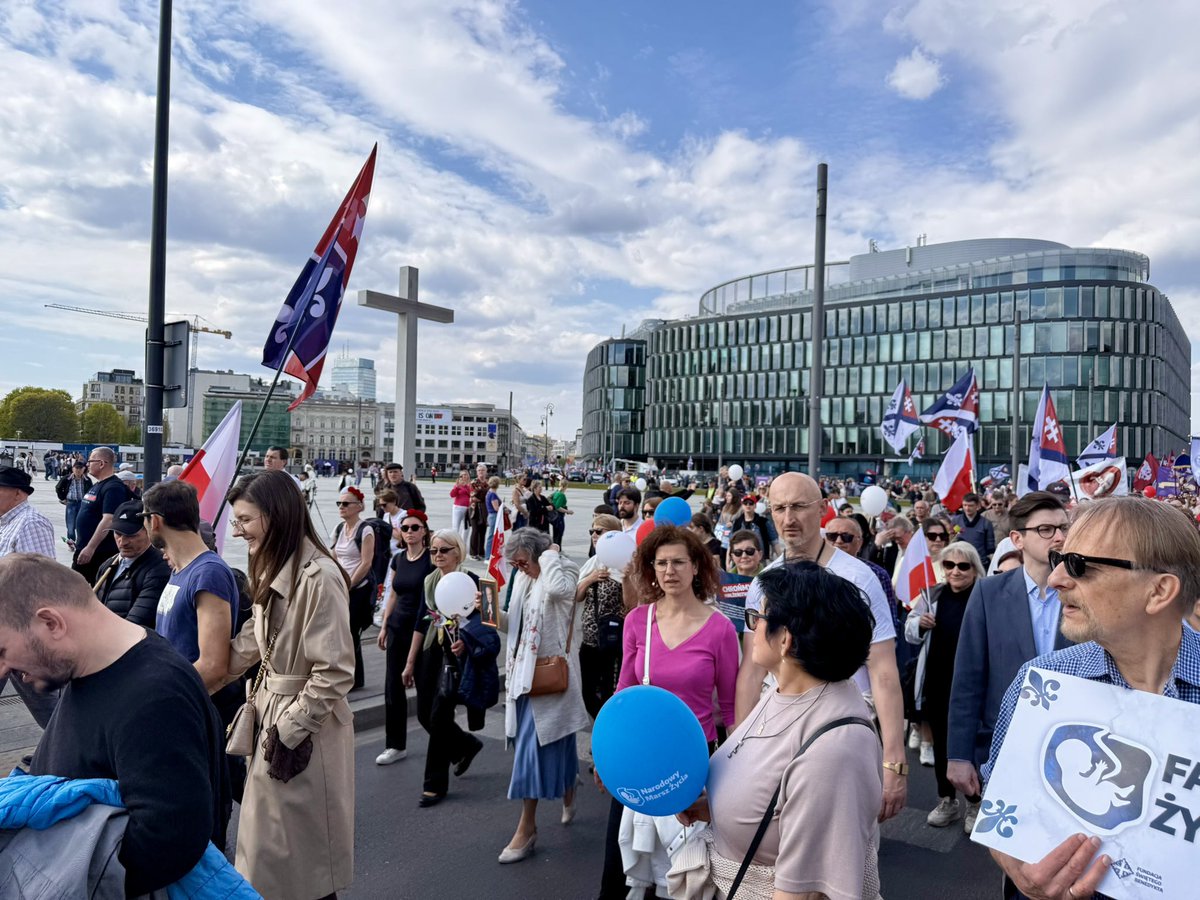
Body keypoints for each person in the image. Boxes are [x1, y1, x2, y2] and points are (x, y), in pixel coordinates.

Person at [983, 497, 1200, 899]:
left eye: (1080, 565)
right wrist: (1019, 871)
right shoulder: (1042, 680)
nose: (1056, 579)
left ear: (1159, 591)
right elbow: (998, 806)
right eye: (1058, 559)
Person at [1, 554, 227, 896]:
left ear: (51, 623)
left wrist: (46, 875)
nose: (3, 670)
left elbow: (170, 839)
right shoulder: (92, 667)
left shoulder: (155, 696)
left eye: (2, 651)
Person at [679, 563, 883, 899]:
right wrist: (716, 805)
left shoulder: (833, 751)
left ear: (785, 639)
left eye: (757, 618)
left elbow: (805, 892)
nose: (753, 628)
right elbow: (770, 798)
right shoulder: (784, 691)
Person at [735, 472, 909, 822]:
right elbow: (752, 671)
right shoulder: (762, 584)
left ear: (821, 509)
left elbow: (883, 671)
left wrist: (895, 762)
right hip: (777, 730)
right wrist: (739, 748)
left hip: (843, 731)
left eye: (799, 506)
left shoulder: (859, 579)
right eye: (780, 508)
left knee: (842, 839)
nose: (789, 519)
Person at [221, 469, 356, 900]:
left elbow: (335, 669)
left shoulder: (319, 576)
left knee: (301, 866)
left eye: (245, 520)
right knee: (274, 859)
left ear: (275, 515)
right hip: (273, 714)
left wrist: (290, 729)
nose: (238, 531)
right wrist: (196, 672)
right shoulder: (275, 560)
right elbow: (254, 638)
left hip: (299, 725)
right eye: (235, 521)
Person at [947, 490, 1071, 831]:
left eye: (1063, 527)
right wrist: (959, 754)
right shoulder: (989, 593)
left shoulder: (1084, 591)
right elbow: (968, 678)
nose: (1059, 536)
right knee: (1011, 849)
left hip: (1073, 750)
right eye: (1046, 529)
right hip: (1006, 746)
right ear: (1017, 538)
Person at [498, 527, 589, 864]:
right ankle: (568, 784)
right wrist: (490, 614)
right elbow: (518, 627)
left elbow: (560, 590)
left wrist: (549, 553)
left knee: (532, 752)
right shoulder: (523, 579)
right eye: (515, 564)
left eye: (523, 561)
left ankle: (527, 828)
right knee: (554, 741)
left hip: (550, 676)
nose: (520, 568)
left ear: (538, 555)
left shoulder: (561, 570)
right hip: (524, 676)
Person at [905, 541, 984, 829]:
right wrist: (919, 623)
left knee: (971, 745)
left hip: (973, 685)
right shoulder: (932, 594)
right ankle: (946, 800)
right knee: (941, 744)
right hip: (937, 681)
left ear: (975, 568)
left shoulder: (983, 595)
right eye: (949, 565)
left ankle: (974, 803)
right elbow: (910, 632)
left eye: (963, 566)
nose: (955, 571)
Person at [406, 529, 485, 806]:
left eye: (444, 550)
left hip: (457, 656)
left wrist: (465, 641)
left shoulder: (471, 580)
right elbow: (421, 621)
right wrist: (410, 661)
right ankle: (465, 744)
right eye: (434, 550)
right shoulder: (429, 581)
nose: (438, 555)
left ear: (457, 552)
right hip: (432, 652)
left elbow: (484, 623)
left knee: (439, 718)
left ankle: (434, 785)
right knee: (425, 716)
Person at [0, 466, 61, 728]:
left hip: (20, 631)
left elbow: (42, 583)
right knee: (46, 706)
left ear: (17, 493)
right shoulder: (7, 522)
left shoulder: (30, 523)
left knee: (47, 706)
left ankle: (79, 750)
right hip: (7, 629)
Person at [375, 509, 433, 765]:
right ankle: (395, 745)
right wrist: (385, 626)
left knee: (425, 693)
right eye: (405, 528)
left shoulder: (431, 560)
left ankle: (452, 741)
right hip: (398, 629)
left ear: (424, 532)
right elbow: (393, 595)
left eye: (415, 527)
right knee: (393, 688)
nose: (409, 532)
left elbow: (430, 602)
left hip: (422, 631)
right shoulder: (398, 559)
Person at [575, 514, 625, 719]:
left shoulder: (624, 565)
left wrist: (627, 578)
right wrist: (591, 578)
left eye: (599, 531)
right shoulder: (592, 564)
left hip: (612, 642)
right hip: (589, 641)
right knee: (586, 692)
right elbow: (577, 597)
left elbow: (632, 604)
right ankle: (602, 725)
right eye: (592, 531)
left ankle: (608, 737)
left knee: (609, 693)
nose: (594, 535)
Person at [92, 500, 171, 628]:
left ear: (149, 531)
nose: (122, 542)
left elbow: (138, 621)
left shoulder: (159, 568)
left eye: (131, 535)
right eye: (118, 533)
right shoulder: (108, 565)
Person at [331, 485, 375, 691]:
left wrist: (349, 585)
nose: (341, 507)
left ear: (359, 507)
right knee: (339, 633)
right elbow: (333, 556)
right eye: (339, 503)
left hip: (358, 590)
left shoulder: (365, 530)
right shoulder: (339, 529)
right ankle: (344, 675)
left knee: (350, 633)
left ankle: (356, 679)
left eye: (346, 503)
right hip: (341, 588)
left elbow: (366, 563)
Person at [73, 447, 125, 585]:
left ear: (102, 464)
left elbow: (108, 519)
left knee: (81, 592)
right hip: (84, 548)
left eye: (90, 461)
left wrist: (90, 547)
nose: (87, 464)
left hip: (98, 553)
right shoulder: (98, 485)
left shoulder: (113, 488)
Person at [951, 492, 996, 568]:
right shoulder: (956, 521)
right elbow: (953, 537)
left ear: (977, 506)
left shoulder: (986, 523)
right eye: (965, 505)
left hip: (980, 562)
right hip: (961, 561)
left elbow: (990, 546)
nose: (967, 508)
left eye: (970, 506)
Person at [56, 459, 91, 544]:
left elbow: (91, 491)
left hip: (83, 504)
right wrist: (63, 498)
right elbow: (58, 488)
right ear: (73, 469)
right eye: (76, 468)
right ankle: (71, 542)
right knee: (70, 525)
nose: (78, 470)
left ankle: (81, 542)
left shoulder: (87, 480)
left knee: (82, 524)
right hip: (71, 503)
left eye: (80, 468)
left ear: (84, 469)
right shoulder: (67, 478)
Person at [468, 463, 490, 559]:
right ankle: (473, 553)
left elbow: (490, 495)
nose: (481, 472)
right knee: (475, 530)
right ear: (476, 472)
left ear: (486, 472)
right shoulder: (474, 482)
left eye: (483, 470)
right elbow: (474, 497)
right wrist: (485, 497)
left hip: (485, 510)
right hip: (475, 509)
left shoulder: (488, 483)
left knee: (483, 531)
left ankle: (481, 552)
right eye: (479, 470)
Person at [483, 475, 503, 556]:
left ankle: (490, 553)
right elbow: (496, 508)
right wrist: (504, 510)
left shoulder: (490, 492)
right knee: (492, 536)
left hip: (491, 515)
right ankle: (488, 555)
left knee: (492, 535)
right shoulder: (493, 494)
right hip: (494, 516)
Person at [549, 480, 572, 547]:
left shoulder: (556, 492)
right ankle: (557, 548)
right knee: (559, 533)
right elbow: (558, 507)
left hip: (555, 516)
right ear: (566, 486)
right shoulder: (561, 495)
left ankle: (555, 546)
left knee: (555, 533)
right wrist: (568, 511)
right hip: (559, 516)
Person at [450, 470, 472, 541]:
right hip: (458, 508)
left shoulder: (471, 485)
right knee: (456, 527)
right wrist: (457, 487)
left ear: (468, 475)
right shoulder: (458, 484)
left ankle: (463, 542)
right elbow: (452, 495)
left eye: (466, 474)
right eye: (463, 475)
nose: (464, 476)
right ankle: (455, 542)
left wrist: (467, 486)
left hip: (468, 508)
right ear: (460, 476)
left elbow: (472, 494)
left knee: (467, 527)